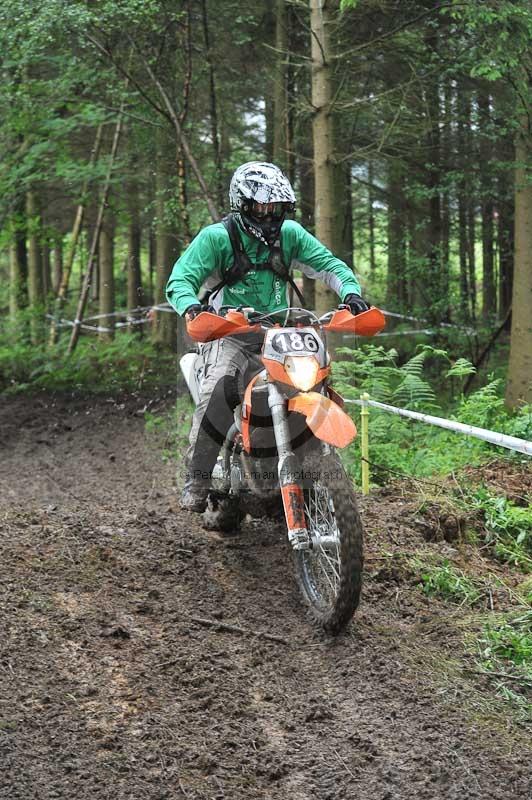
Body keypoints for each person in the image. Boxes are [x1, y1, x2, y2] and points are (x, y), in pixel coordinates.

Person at [166, 161, 369, 513]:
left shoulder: (290, 234)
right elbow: (180, 280)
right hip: (228, 333)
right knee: (219, 388)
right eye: (262, 207)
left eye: (276, 208)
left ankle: (311, 463)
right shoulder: (217, 238)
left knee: (314, 381)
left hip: (279, 332)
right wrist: (191, 307)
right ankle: (197, 478)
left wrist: (350, 293)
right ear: (242, 205)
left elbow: (329, 265)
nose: (269, 214)